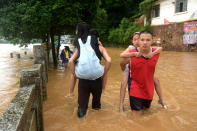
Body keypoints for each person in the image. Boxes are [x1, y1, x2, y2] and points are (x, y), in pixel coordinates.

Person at [69, 22, 111, 118]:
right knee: (96, 107)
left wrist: (75, 75)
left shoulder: (79, 46)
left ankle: (82, 122)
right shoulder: (100, 47)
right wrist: (104, 73)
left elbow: (71, 62)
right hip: (97, 79)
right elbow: (109, 60)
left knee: (82, 109)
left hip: (83, 80)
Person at [120, 31, 163, 112]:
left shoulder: (151, 49)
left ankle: (161, 99)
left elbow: (160, 48)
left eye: (147, 40)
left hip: (143, 69)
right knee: (124, 82)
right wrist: (134, 54)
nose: (144, 42)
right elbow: (121, 57)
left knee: (156, 79)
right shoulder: (131, 48)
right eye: (136, 40)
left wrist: (153, 53)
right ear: (133, 41)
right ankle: (121, 105)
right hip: (128, 66)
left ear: (151, 41)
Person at [66, 29, 108, 98]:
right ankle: (103, 90)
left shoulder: (85, 43)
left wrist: (74, 74)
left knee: (73, 73)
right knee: (105, 71)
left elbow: (71, 61)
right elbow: (106, 59)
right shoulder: (99, 46)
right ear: (98, 37)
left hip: (83, 69)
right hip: (95, 71)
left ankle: (71, 92)